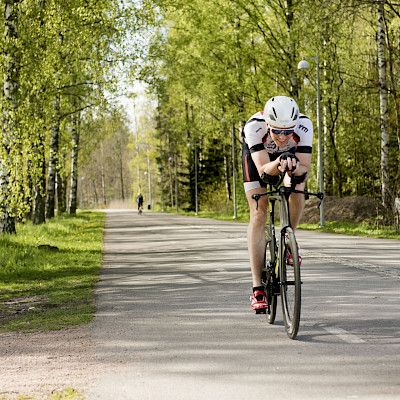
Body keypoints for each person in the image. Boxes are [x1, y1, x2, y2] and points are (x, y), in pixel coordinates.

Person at [241, 95, 313, 312]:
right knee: (259, 212)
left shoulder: (304, 126)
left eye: (288, 131)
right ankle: (257, 288)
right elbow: (264, 173)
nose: (282, 137)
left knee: (298, 188)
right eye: (277, 131)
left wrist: (293, 167)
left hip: (289, 158)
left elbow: (304, 171)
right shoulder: (254, 127)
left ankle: (290, 240)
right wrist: (278, 163)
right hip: (261, 160)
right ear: (267, 124)